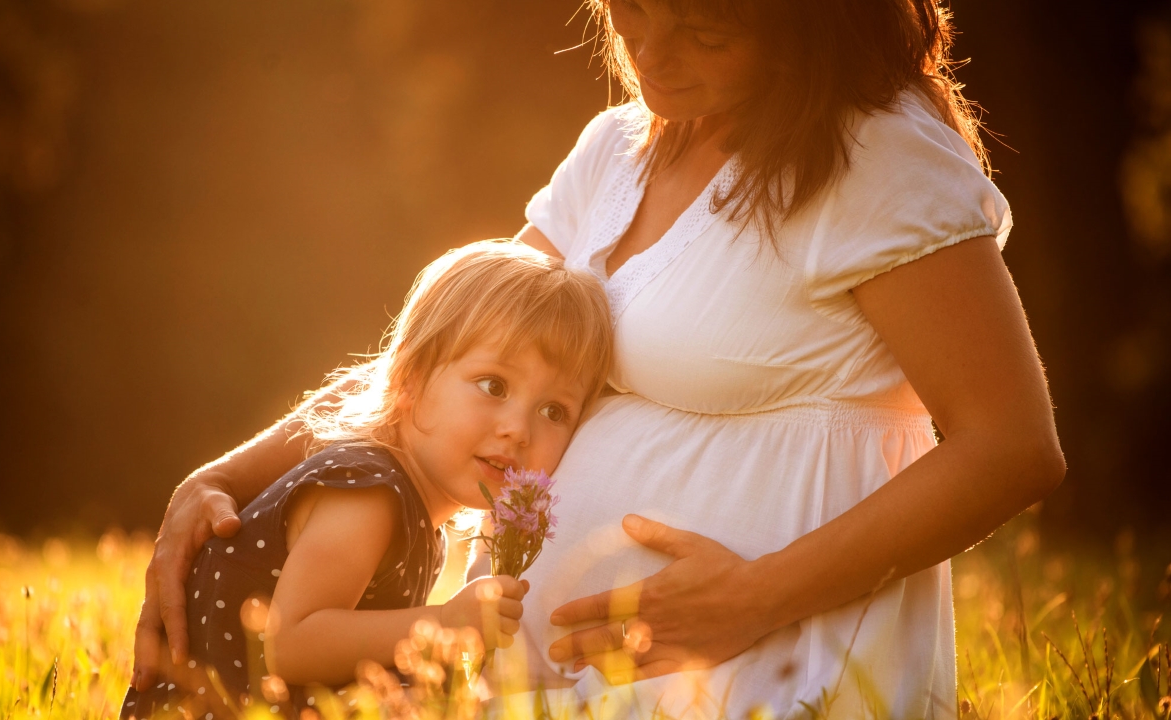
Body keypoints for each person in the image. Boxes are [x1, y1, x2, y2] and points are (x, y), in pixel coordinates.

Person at [132, 0, 1067, 717]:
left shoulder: (878, 163)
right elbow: (443, 353)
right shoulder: (616, 152)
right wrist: (217, 478)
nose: (653, 57)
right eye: (633, 12)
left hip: (778, 662)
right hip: (554, 680)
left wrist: (752, 597)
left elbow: (1010, 446)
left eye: (705, 31)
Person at [120, 240, 613, 717]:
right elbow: (290, 643)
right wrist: (443, 623)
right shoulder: (372, 491)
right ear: (410, 381)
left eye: (554, 410)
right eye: (493, 385)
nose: (518, 429)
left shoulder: (413, 510)